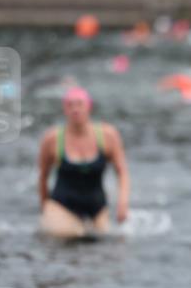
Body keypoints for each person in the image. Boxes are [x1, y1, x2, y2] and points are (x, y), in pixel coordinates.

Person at [38, 86, 129, 238]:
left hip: (97, 208)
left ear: (89, 107)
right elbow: (43, 177)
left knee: (107, 242)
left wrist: (123, 203)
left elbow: (122, 172)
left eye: (79, 104)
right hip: (62, 206)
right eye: (70, 105)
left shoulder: (108, 136)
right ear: (64, 109)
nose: (75, 109)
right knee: (70, 237)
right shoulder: (51, 139)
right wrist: (45, 208)